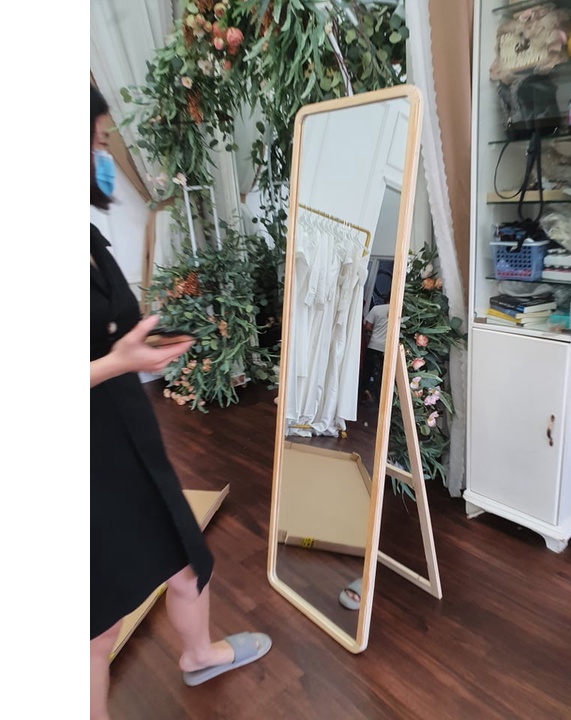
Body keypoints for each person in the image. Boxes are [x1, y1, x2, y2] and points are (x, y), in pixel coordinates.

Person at [90, 84, 271, 720]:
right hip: (86, 459)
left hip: (130, 434)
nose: (105, 155)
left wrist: (140, 345)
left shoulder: (83, 237)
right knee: (98, 625)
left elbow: (108, 330)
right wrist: (119, 362)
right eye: (99, 141)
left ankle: (198, 654)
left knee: (186, 553)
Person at [360, 294, 390, 403]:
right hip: (387, 348)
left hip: (373, 345)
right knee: (382, 375)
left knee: (367, 373)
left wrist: (375, 331)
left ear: (386, 298)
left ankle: (364, 394)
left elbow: (367, 327)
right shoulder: (398, 311)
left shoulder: (376, 309)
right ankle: (379, 400)